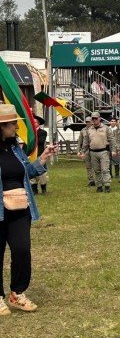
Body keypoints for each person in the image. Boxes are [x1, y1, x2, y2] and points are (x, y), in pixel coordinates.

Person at [0, 104, 56, 315]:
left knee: (22, 250)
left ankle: (17, 293)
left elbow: (27, 173)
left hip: (20, 209)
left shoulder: (16, 149)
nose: (15, 126)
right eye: (12, 123)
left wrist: (42, 159)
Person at [81, 112, 116, 193]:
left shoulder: (106, 128)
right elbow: (85, 142)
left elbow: (112, 140)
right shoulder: (89, 130)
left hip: (103, 151)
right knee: (97, 170)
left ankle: (107, 185)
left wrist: (113, 150)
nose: (94, 120)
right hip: (93, 152)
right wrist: (83, 152)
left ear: (99, 119)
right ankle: (99, 186)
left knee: (105, 170)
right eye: (92, 118)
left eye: (96, 118)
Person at [30, 116, 48, 195]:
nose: (33, 123)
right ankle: (34, 189)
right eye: (32, 122)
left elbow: (40, 141)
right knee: (31, 172)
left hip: (40, 155)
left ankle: (43, 188)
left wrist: (33, 135)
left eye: (35, 122)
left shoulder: (42, 132)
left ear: (38, 123)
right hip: (31, 155)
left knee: (42, 173)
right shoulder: (29, 132)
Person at [76, 117, 96, 187]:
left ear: (92, 122)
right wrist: (78, 150)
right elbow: (80, 141)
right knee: (88, 166)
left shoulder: (95, 129)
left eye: (89, 122)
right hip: (86, 150)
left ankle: (99, 180)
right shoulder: (83, 130)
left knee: (96, 166)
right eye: (86, 122)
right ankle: (91, 181)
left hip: (94, 149)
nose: (87, 123)